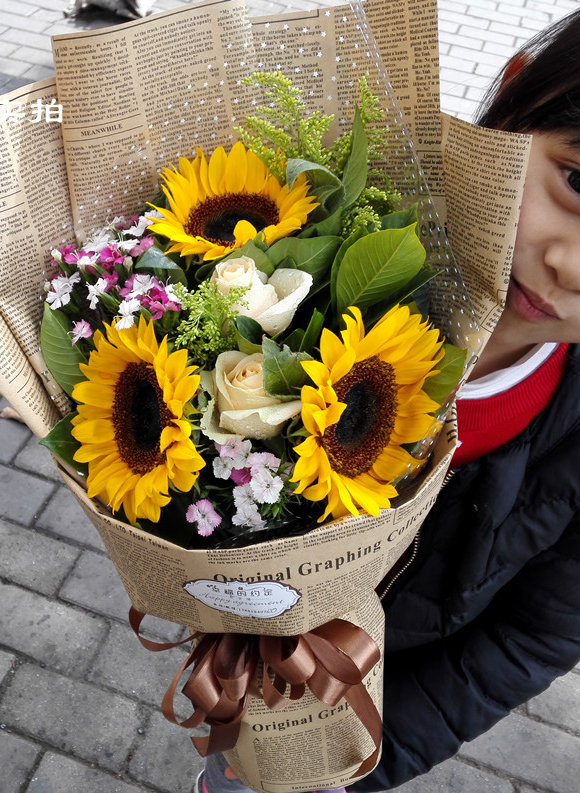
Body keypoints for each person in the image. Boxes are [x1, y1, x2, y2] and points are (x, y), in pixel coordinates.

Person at [197, 7, 580, 792]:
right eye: (576, 182)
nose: (569, 267)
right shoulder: (320, 258)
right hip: (240, 671)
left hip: (371, 713)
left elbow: (534, 636)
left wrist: (359, 760)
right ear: (510, 93)